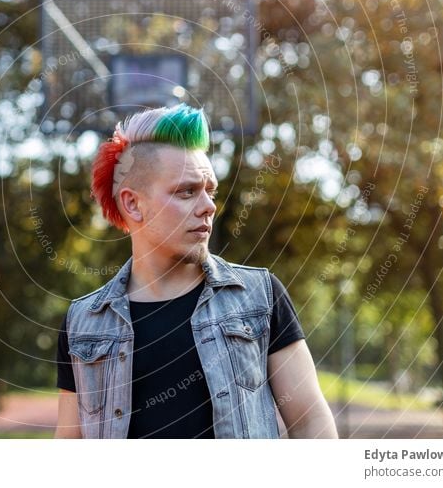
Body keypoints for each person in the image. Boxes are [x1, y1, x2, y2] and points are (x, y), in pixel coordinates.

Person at [53, 103, 337, 439]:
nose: (209, 206)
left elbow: (310, 422)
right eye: (187, 192)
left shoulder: (260, 296)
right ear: (133, 204)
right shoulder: (84, 323)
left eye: (210, 191)